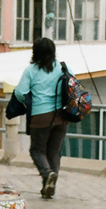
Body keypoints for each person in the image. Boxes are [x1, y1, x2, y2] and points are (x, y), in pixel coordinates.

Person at [14, 38, 67, 199]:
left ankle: (47, 174)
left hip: (41, 117)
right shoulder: (62, 67)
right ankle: (49, 184)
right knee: (54, 152)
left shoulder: (31, 70)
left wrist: (28, 101)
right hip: (62, 117)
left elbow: (20, 93)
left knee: (37, 150)